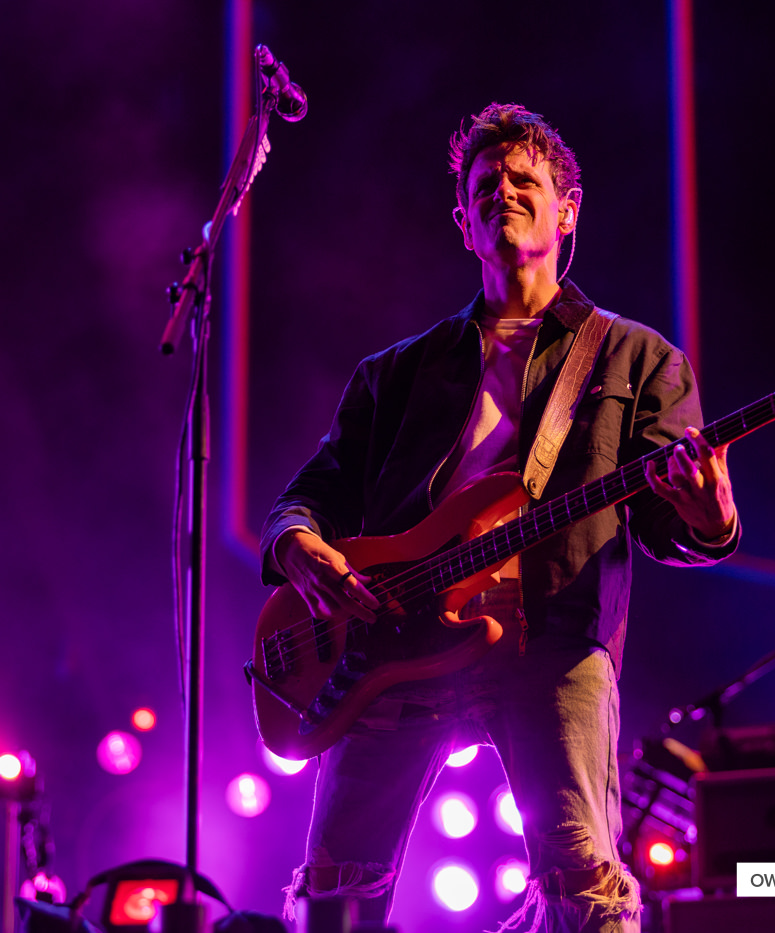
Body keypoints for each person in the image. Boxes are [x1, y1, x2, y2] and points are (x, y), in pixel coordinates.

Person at [259, 103, 739, 933]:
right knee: (334, 888)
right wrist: (299, 542)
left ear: (567, 211)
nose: (504, 191)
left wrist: (711, 512)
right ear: (464, 224)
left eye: (525, 179)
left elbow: (668, 527)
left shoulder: (637, 357)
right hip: (390, 640)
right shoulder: (398, 373)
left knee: (585, 890)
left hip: (552, 640)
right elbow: (315, 489)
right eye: (486, 185)